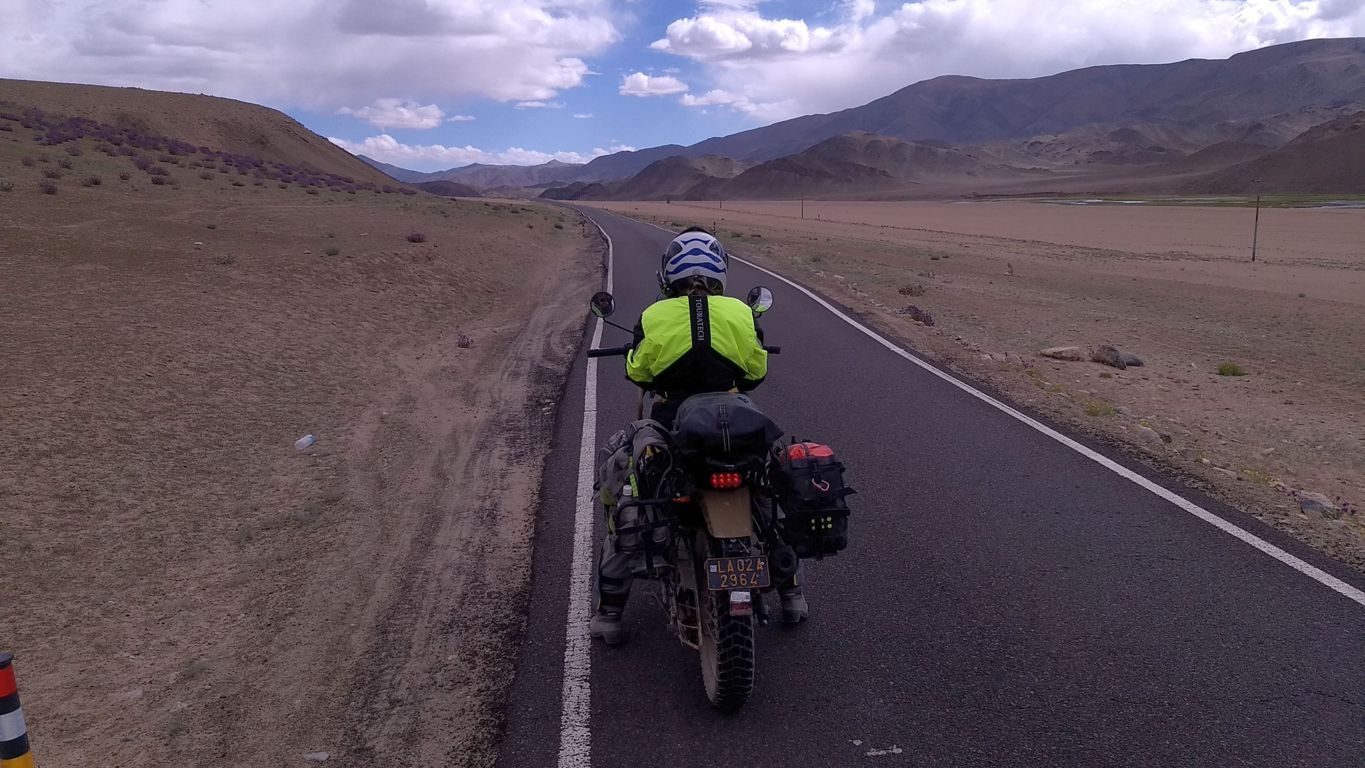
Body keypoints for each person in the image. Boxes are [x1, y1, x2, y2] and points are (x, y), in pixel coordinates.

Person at [590, 227, 808, 646]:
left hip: (674, 424)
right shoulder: (741, 313)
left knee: (627, 484)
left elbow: (639, 372)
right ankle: (792, 594)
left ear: (668, 275)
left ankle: (610, 613)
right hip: (737, 421)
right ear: (719, 273)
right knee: (767, 494)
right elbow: (756, 372)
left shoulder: (654, 316)